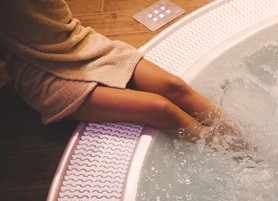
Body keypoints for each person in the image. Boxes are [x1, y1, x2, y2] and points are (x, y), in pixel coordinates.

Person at [0, 0, 245, 148]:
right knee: (159, 108)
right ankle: (232, 157)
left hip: (77, 42)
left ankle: (248, 143)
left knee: (174, 87)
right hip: (40, 71)